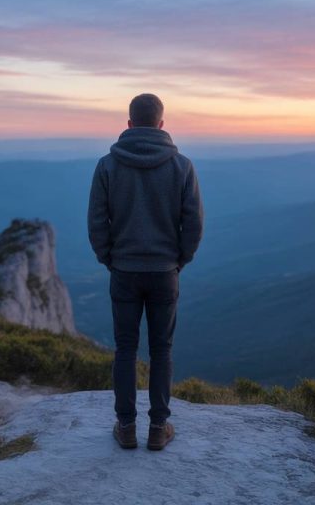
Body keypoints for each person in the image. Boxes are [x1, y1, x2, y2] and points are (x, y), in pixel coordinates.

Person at [87, 93, 204, 451]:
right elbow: (193, 223)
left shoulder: (107, 165)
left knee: (125, 348)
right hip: (164, 271)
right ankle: (158, 427)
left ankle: (125, 426)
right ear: (162, 124)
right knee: (161, 350)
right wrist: (179, 259)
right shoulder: (182, 166)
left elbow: (96, 221)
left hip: (124, 269)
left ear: (129, 124)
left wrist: (109, 258)